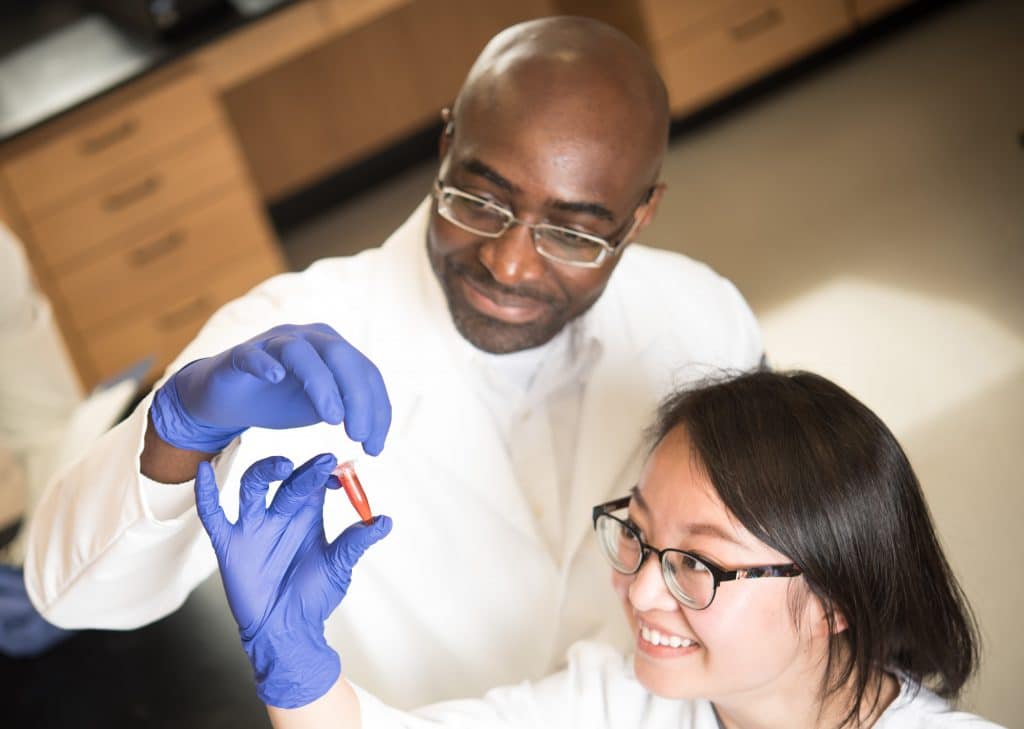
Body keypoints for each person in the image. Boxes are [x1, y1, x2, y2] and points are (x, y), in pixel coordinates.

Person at [23, 17, 763, 706]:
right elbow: (70, 593)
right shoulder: (287, 339)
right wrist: (180, 431)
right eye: (480, 198)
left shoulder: (703, 317)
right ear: (448, 146)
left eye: (573, 234)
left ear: (641, 214)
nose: (507, 264)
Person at [199, 370, 1002, 728]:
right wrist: (296, 661)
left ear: (834, 599)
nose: (643, 592)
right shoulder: (623, 699)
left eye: (698, 561)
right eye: (641, 533)